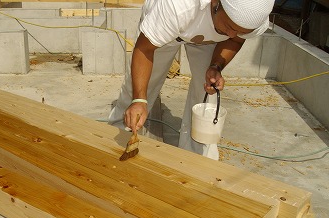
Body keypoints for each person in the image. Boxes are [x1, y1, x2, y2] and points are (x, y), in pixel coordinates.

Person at [108, 0, 275, 160]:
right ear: (215, 3)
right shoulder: (178, 6)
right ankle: (121, 132)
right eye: (230, 26)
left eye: (240, 30)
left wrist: (216, 66)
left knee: (207, 92)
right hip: (169, 25)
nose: (232, 34)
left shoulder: (254, 15)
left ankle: (198, 152)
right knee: (139, 87)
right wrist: (139, 99)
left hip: (209, 37)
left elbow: (236, 39)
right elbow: (144, 50)